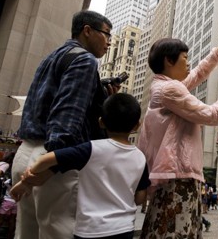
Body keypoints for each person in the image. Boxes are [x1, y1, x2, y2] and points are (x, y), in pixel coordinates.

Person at [12, 10, 115, 239]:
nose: (109, 42)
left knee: (26, 232)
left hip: (24, 153)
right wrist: (53, 166)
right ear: (87, 31)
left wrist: (99, 93)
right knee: (59, 231)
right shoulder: (85, 60)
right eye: (107, 34)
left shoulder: (52, 57)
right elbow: (68, 116)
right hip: (53, 156)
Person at [137, 36, 218, 238]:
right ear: (169, 61)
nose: (188, 63)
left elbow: (197, 74)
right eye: (185, 58)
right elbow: (215, 115)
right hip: (179, 178)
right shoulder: (170, 89)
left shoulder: (162, 86)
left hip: (175, 176)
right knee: (177, 231)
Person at [11, 93, 150, 239]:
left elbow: (44, 160)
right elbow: (140, 197)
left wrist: (26, 182)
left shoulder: (91, 149)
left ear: (101, 122)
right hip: (124, 228)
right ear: (137, 125)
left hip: (89, 230)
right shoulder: (140, 157)